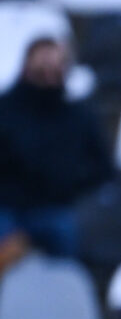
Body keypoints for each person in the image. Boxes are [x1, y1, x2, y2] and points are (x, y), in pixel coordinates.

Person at [0, 38, 113, 263]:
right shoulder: (5, 110)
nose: (49, 72)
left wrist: (71, 182)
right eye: (43, 65)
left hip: (56, 207)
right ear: (27, 65)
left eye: (56, 66)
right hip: (8, 207)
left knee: (66, 234)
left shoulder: (79, 115)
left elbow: (103, 168)